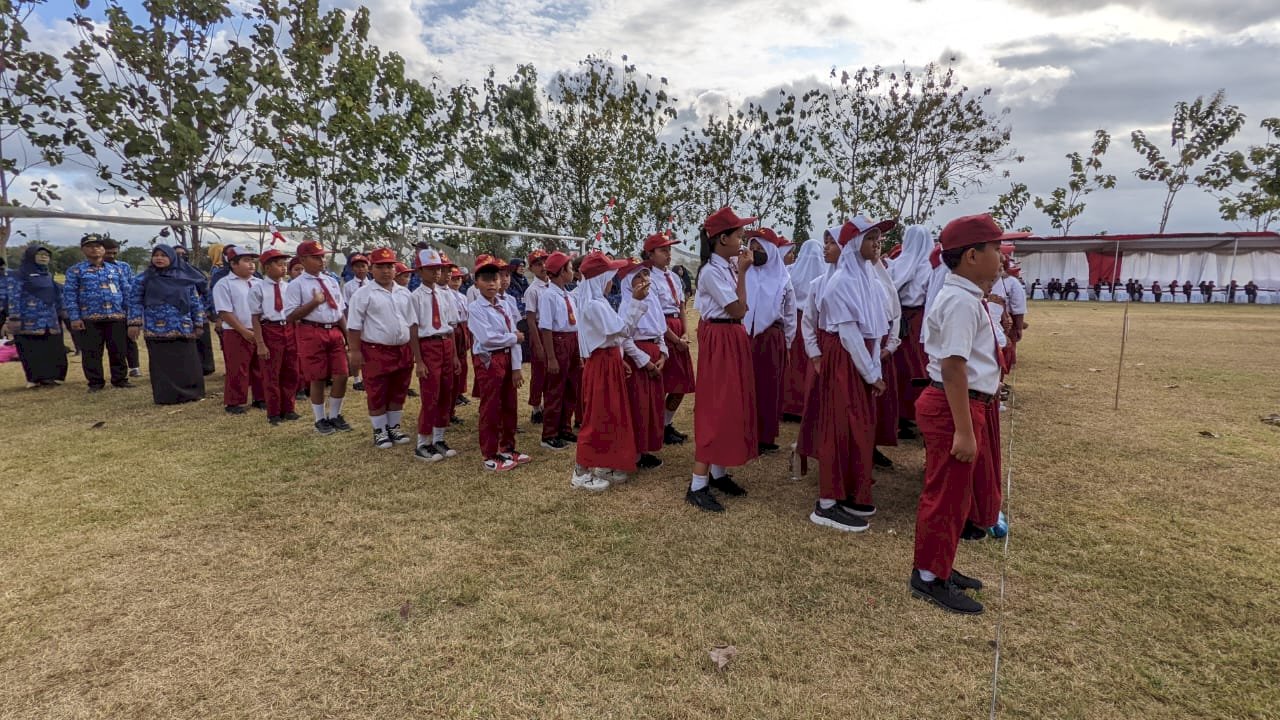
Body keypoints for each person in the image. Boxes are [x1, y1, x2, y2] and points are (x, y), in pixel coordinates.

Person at [911, 213, 1018, 615]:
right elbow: (954, 366)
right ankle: (927, 576)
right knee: (945, 496)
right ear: (972, 255)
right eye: (994, 248)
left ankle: (941, 566)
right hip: (955, 405)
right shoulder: (958, 301)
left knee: (957, 497)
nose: (1001, 256)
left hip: (965, 402)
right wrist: (964, 431)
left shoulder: (968, 296)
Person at [811, 216, 892, 529]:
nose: (877, 245)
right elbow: (850, 335)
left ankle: (849, 492)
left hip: (861, 358)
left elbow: (874, 330)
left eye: (879, 239)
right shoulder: (841, 281)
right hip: (845, 359)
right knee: (838, 425)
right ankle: (827, 502)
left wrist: (875, 366)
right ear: (856, 243)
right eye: (872, 238)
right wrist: (871, 373)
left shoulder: (868, 278)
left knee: (858, 427)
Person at [686, 208, 760, 513]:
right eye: (738, 233)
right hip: (721, 336)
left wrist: (740, 271)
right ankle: (697, 484)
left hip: (731, 336)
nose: (742, 238)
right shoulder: (712, 271)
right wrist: (743, 272)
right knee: (716, 405)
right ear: (722, 238)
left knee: (730, 403)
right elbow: (738, 309)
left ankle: (718, 472)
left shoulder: (725, 266)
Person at [570, 252, 651, 491]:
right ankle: (581, 470)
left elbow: (615, 335)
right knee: (597, 415)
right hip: (601, 363)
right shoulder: (594, 305)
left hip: (608, 361)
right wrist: (635, 302)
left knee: (612, 412)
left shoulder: (598, 302)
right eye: (609, 276)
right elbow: (622, 330)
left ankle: (604, 463)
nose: (612, 281)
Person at [346, 248, 414, 449]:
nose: (386, 271)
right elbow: (354, 325)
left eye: (390, 266)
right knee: (377, 390)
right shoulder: (363, 294)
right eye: (381, 266)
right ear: (371, 269)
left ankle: (394, 427)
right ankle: (379, 429)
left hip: (402, 348)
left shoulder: (404, 292)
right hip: (376, 349)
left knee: (399, 388)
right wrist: (355, 351)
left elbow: (411, 322)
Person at [468, 255, 531, 471]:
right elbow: (487, 338)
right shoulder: (476, 308)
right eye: (485, 279)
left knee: (509, 404)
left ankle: (507, 447)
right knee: (491, 407)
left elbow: (512, 334)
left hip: (506, 356)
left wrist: (516, 367)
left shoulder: (504, 305)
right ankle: (490, 453)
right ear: (476, 282)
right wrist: (514, 338)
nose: (492, 283)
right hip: (489, 359)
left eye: (495, 278)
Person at [285, 240, 352, 435]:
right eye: (316, 257)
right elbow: (290, 316)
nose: (321, 260)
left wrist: (347, 334)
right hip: (311, 331)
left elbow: (339, 311)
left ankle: (335, 415)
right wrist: (314, 303)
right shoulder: (296, 285)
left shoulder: (330, 281)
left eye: (322, 256)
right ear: (303, 259)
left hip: (333, 330)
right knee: (318, 377)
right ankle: (320, 418)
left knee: (342, 374)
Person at [128, 244, 206, 404]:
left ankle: (192, 394)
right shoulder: (143, 278)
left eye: (163, 255)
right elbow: (134, 301)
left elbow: (195, 302)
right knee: (162, 364)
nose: (159, 258)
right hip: (156, 327)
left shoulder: (185, 278)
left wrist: (198, 323)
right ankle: (167, 396)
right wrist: (134, 323)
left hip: (183, 326)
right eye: (155, 255)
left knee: (187, 361)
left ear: (172, 258)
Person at [744, 228, 796, 455]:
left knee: (768, 387)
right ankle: (744, 433)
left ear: (771, 250)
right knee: (746, 387)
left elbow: (791, 313)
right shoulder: (743, 274)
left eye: (759, 246)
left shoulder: (783, 278)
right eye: (752, 245)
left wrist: (788, 343)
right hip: (745, 337)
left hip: (771, 338)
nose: (754, 250)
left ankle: (765, 436)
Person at [63, 233, 134, 391]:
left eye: (98, 246)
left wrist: (131, 314)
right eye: (90, 246)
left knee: (118, 350)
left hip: (117, 316)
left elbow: (127, 292)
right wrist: (75, 317)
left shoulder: (116, 270)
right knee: (92, 352)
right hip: (89, 318)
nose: (95, 249)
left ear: (103, 249)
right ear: (83, 250)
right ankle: (95, 382)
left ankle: (120, 379)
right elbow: (69, 295)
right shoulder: (75, 271)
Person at [407, 247, 460, 461]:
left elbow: (451, 327)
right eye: (430, 269)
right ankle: (423, 442)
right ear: (420, 272)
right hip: (428, 346)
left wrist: (455, 355)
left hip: (446, 344)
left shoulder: (446, 296)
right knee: (431, 394)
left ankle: (439, 438)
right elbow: (413, 329)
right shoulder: (415, 297)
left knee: (446, 393)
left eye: (438, 268)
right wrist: (418, 360)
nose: (436, 273)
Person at [644, 234, 695, 445]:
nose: (668, 254)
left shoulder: (674, 277)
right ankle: (654, 426)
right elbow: (656, 315)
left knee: (680, 384)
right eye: (663, 250)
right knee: (662, 384)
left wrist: (685, 332)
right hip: (662, 330)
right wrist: (674, 339)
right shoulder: (648, 279)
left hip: (676, 328)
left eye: (669, 250)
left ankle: (665, 424)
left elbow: (681, 306)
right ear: (650, 254)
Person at [618, 260, 668, 472]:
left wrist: (663, 353)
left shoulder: (653, 302)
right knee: (639, 405)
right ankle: (636, 452)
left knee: (653, 404)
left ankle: (647, 448)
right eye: (639, 276)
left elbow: (660, 331)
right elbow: (624, 338)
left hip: (654, 355)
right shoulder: (626, 305)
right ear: (629, 282)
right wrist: (644, 361)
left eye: (646, 275)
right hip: (639, 358)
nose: (644, 280)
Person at [249, 248, 301, 425]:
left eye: (285, 265)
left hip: (289, 328)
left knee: (291, 371)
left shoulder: (289, 287)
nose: (284, 268)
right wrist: (260, 343)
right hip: (270, 329)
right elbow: (255, 317)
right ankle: (273, 412)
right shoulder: (258, 289)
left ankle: (289, 408)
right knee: (271, 373)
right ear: (267, 268)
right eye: (279, 265)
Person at [537, 251, 582, 451]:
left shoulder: (567, 295)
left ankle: (565, 427)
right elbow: (546, 328)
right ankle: (549, 434)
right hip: (559, 341)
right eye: (570, 269)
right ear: (561, 272)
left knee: (571, 387)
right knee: (555, 389)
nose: (572, 272)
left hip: (572, 341)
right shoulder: (548, 296)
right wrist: (551, 357)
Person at [4, 245, 69, 387]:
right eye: (40, 254)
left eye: (46, 255)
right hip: (28, 319)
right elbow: (14, 296)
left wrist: (63, 310)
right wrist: (14, 317)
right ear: (30, 256)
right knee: (32, 348)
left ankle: (52, 376)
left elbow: (57, 294)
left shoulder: (48, 275)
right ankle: (35, 378)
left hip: (49, 320)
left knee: (52, 347)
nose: (44, 257)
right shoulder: (18, 275)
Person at [213, 246, 265, 415]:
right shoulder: (224, 284)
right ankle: (234, 401)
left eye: (252, 261)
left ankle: (261, 397)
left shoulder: (260, 283)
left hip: (259, 329)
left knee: (260, 365)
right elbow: (224, 311)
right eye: (246, 261)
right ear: (233, 264)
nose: (251, 265)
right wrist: (243, 331)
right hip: (235, 331)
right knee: (238, 367)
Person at [783, 240, 825, 423]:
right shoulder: (824, 272)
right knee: (811, 364)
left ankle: (790, 404)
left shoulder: (792, 271)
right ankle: (810, 404)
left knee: (793, 366)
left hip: (796, 319)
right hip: (814, 324)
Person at [102, 237, 142, 378]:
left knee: (130, 338)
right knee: (114, 343)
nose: (111, 256)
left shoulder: (124, 266)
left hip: (125, 309)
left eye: (114, 253)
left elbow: (132, 286)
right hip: (106, 312)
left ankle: (134, 366)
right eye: (108, 253)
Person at [522, 250, 551, 425]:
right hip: (539, 331)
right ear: (531, 268)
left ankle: (549, 405)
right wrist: (538, 344)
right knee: (539, 371)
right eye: (538, 264)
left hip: (552, 332)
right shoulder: (532, 290)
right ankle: (535, 407)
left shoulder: (553, 285)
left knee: (552, 372)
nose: (543, 267)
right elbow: (531, 320)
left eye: (544, 262)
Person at [447, 265, 472, 410]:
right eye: (454, 279)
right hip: (454, 327)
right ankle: (453, 393)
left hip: (463, 327)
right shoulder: (447, 295)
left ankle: (460, 391)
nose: (456, 282)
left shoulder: (462, 296)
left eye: (459, 279)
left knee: (463, 361)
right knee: (454, 360)